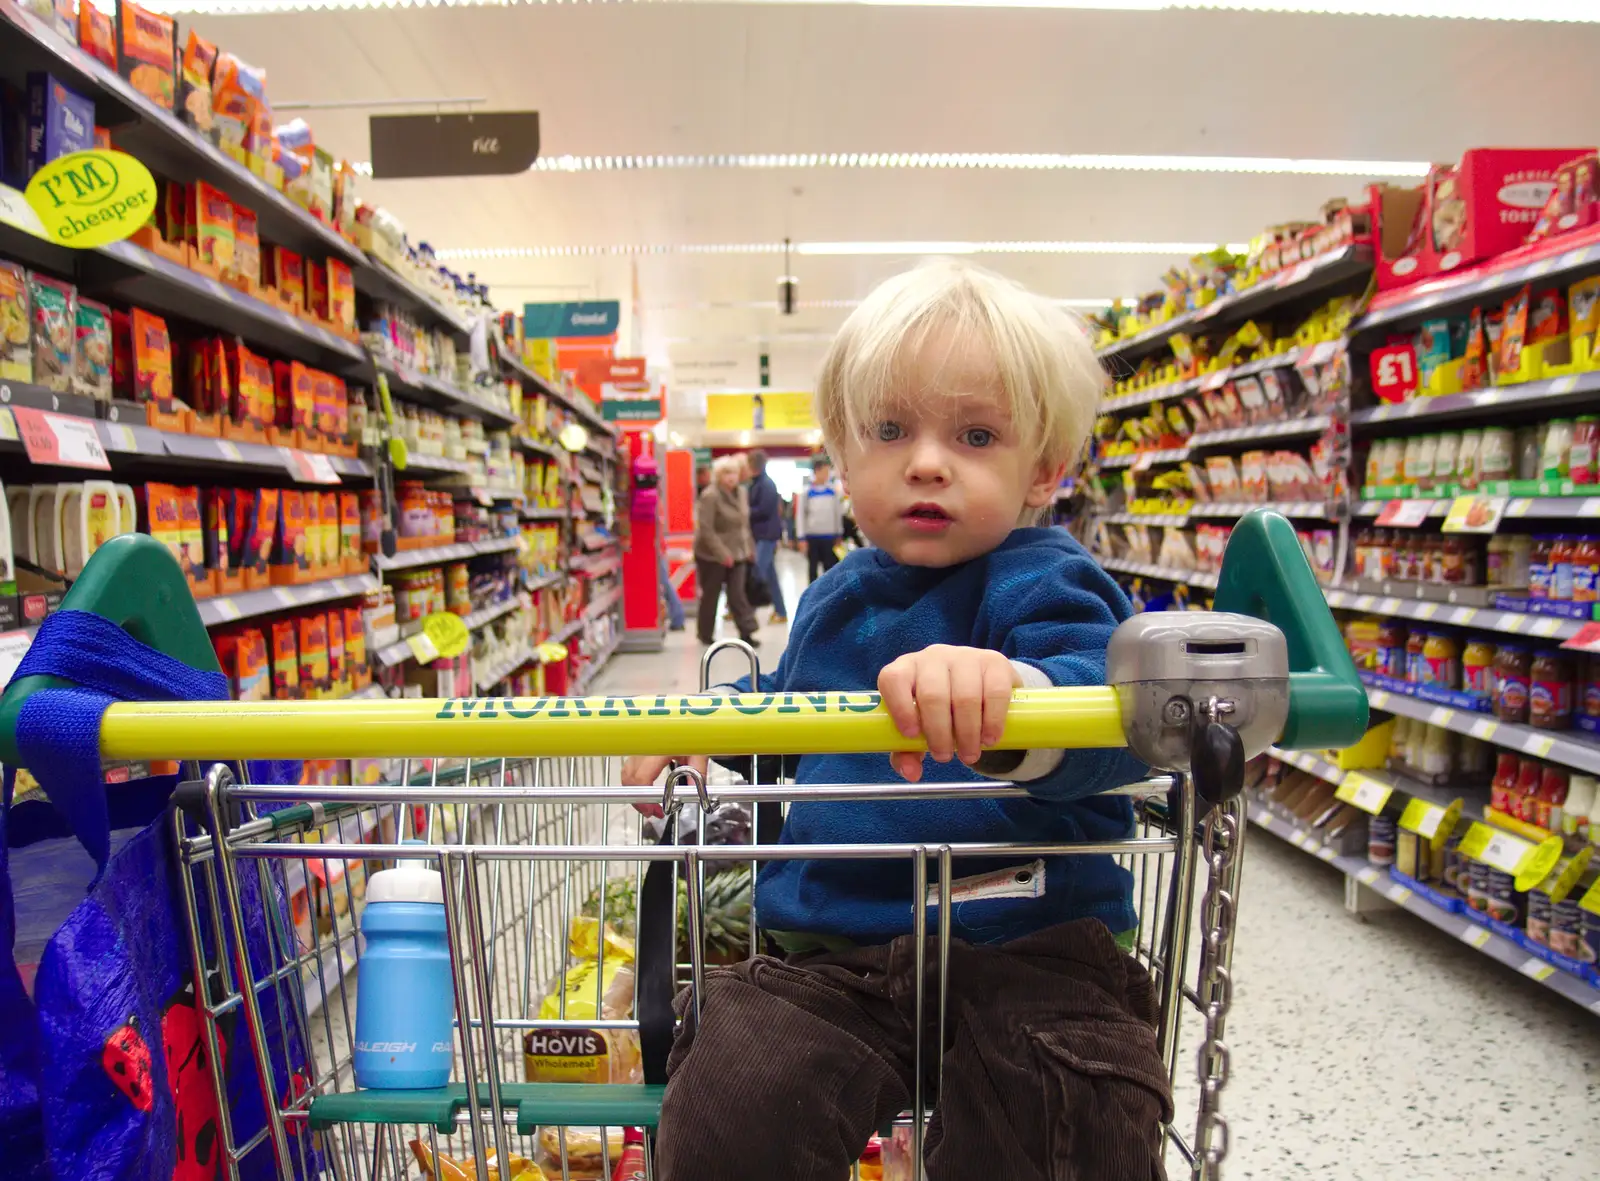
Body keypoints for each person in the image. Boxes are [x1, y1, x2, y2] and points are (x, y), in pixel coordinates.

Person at [624, 258, 1163, 1180]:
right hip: (833, 946)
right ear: (841, 455)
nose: (925, 459)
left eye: (976, 433)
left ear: (1045, 468)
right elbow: (790, 718)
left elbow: (1112, 720)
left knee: (1069, 1108)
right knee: (730, 1098)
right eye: (889, 429)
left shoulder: (1049, 579)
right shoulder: (836, 600)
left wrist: (1016, 691)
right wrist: (703, 725)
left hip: (1034, 942)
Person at [692, 454, 759, 647]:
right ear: (719, 476)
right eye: (726, 473)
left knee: (738, 594)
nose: (731, 477)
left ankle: (747, 632)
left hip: (737, 551)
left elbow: (744, 525)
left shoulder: (742, 493)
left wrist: (750, 548)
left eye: (734, 473)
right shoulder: (710, 495)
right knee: (711, 595)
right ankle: (705, 634)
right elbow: (706, 528)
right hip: (711, 555)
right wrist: (722, 554)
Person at [744, 449, 788, 624]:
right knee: (770, 575)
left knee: (758, 573)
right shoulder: (757, 483)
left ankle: (746, 612)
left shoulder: (766, 484)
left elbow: (764, 509)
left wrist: (746, 511)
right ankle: (781, 611)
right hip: (762, 534)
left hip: (766, 535)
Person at [795, 456, 844, 582]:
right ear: (816, 471)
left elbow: (837, 514)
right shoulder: (807, 493)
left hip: (829, 537)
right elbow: (800, 516)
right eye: (824, 471)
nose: (827, 475)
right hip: (813, 537)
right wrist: (801, 537)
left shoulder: (833, 492)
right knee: (812, 569)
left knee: (830, 568)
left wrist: (839, 533)